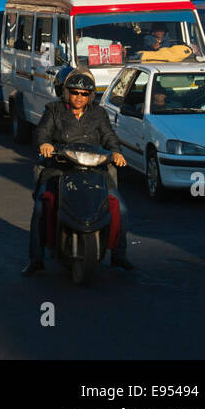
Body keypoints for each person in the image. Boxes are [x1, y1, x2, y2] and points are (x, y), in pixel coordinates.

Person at [23, 68, 134, 275]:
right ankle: (35, 259)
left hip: (95, 172)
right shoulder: (53, 110)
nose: (79, 97)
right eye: (75, 92)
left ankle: (119, 255)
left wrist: (116, 153)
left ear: (90, 95)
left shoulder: (99, 113)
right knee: (40, 207)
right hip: (59, 171)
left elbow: (109, 137)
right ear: (66, 92)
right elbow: (41, 132)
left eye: (84, 94)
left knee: (121, 208)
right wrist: (45, 144)